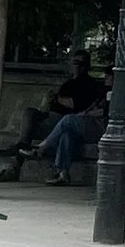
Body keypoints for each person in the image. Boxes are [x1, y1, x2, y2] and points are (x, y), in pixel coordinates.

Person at [41, 57, 107, 185]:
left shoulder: (95, 86)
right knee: (67, 135)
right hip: (86, 121)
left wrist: (85, 114)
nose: (106, 79)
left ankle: (43, 146)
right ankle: (62, 173)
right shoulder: (70, 83)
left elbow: (102, 112)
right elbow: (93, 107)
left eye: (109, 77)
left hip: (99, 126)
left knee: (68, 120)